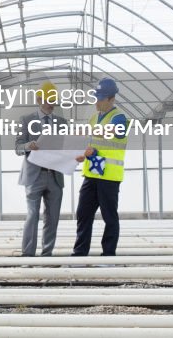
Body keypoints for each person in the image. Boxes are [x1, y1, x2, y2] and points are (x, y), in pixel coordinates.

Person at [73, 77, 129, 256]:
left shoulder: (119, 117)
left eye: (101, 98)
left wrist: (86, 131)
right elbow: (92, 143)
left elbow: (111, 131)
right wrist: (83, 155)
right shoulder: (94, 117)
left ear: (111, 99)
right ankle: (80, 252)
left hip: (109, 177)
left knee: (109, 217)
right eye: (96, 97)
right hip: (92, 174)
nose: (96, 101)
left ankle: (108, 255)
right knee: (83, 213)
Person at [14, 81, 68, 257]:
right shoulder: (26, 120)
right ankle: (28, 255)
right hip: (34, 176)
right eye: (48, 99)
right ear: (39, 99)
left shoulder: (62, 122)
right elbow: (17, 147)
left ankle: (47, 255)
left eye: (54, 100)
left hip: (55, 176)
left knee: (52, 218)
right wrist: (29, 145)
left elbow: (67, 147)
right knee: (32, 216)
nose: (52, 103)